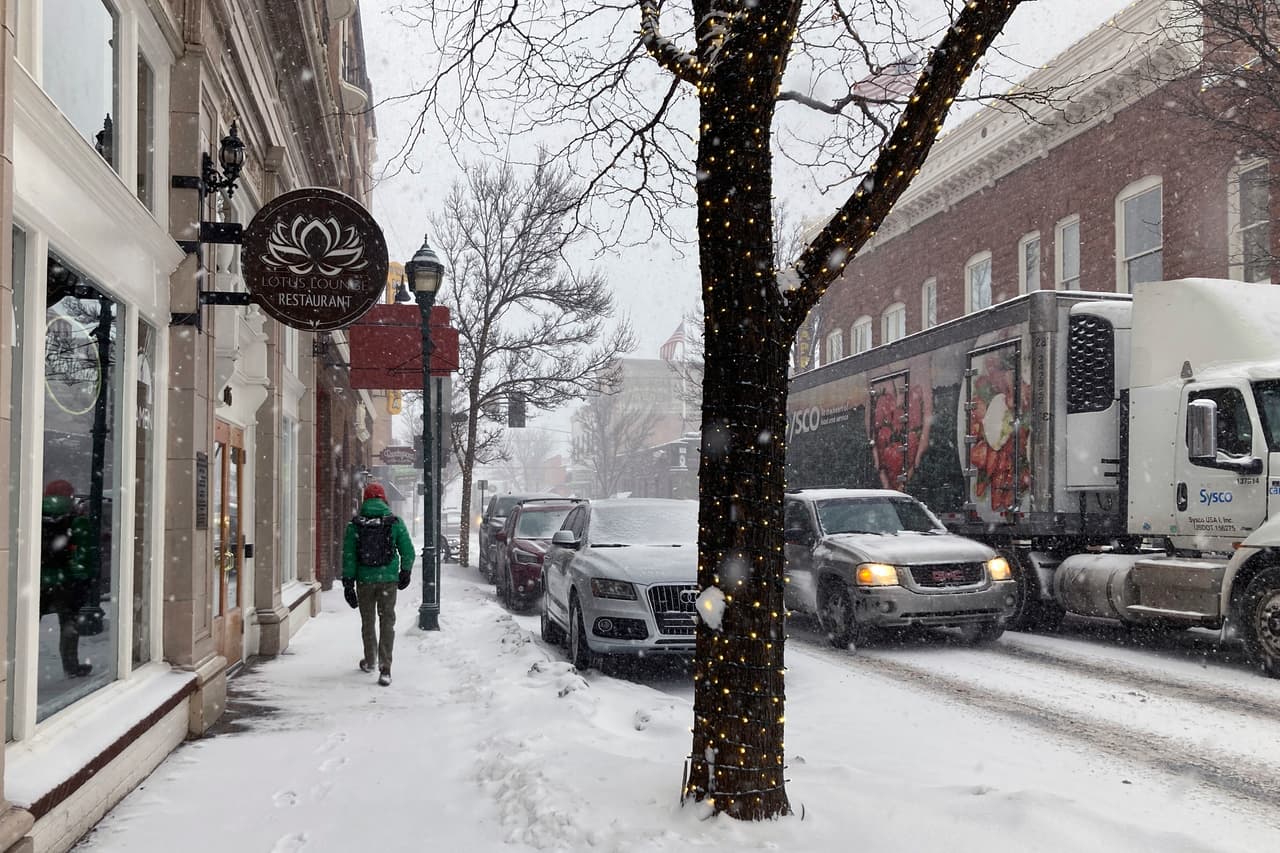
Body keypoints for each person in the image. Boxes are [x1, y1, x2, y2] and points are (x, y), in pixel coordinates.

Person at [342, 482, 414, 686]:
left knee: (368, 621)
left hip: (364, 580)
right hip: (388, 580)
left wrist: (348, 583)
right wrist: (405, 571)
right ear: (384, 499)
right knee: (387, 622)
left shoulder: (355, 524)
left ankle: (370, 659)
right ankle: (385, 668)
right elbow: (407, 549)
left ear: (365, 499)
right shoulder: (394, 522)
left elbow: (349, 556)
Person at [39, 480, 97, 678]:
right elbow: (83, 557)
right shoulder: (76, 520)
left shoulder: (34, 514)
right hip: (65, 582)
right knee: (69, 624)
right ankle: (71, 666)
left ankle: (17, 665)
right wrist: (83, 576)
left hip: (39, 581)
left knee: (27, 624)